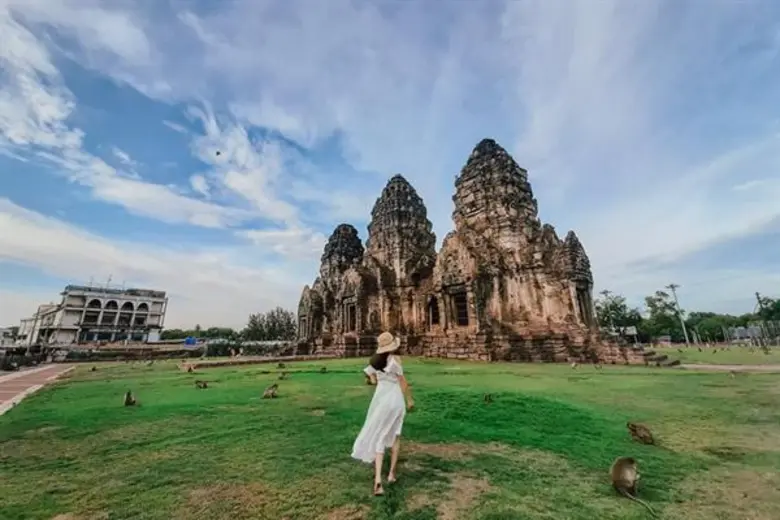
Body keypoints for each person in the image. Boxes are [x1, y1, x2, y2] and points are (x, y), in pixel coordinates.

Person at [351, 331, 415, 496]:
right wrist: (409, 400)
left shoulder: (375, 361)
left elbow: (369, 375)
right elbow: (404, 383)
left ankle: (378, 481)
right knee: (395, 437)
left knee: (380, 438)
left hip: (380, 401)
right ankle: (391, 474)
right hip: (395, 401)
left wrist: (375, 380)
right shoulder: (396, 360)